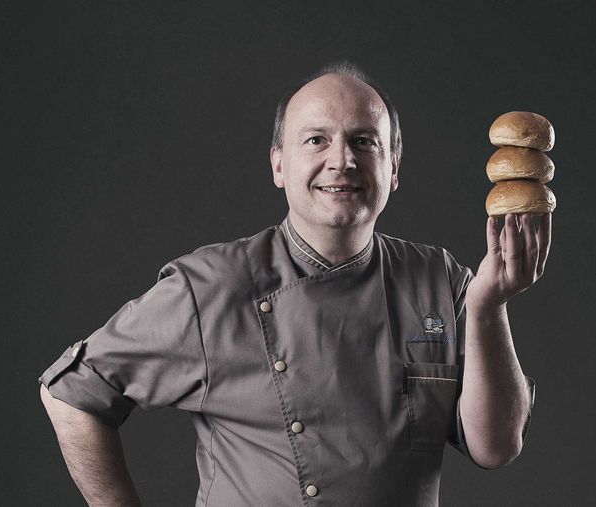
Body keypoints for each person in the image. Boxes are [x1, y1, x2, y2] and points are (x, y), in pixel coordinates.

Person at [39, 61, 550, 507]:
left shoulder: (442, 280)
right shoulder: (212, 286)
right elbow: (72, 394)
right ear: (279, 164)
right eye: (316, 140)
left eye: (364, 142)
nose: (342, 160)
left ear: (393, 168)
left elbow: (496, 446)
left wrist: (488, 306)